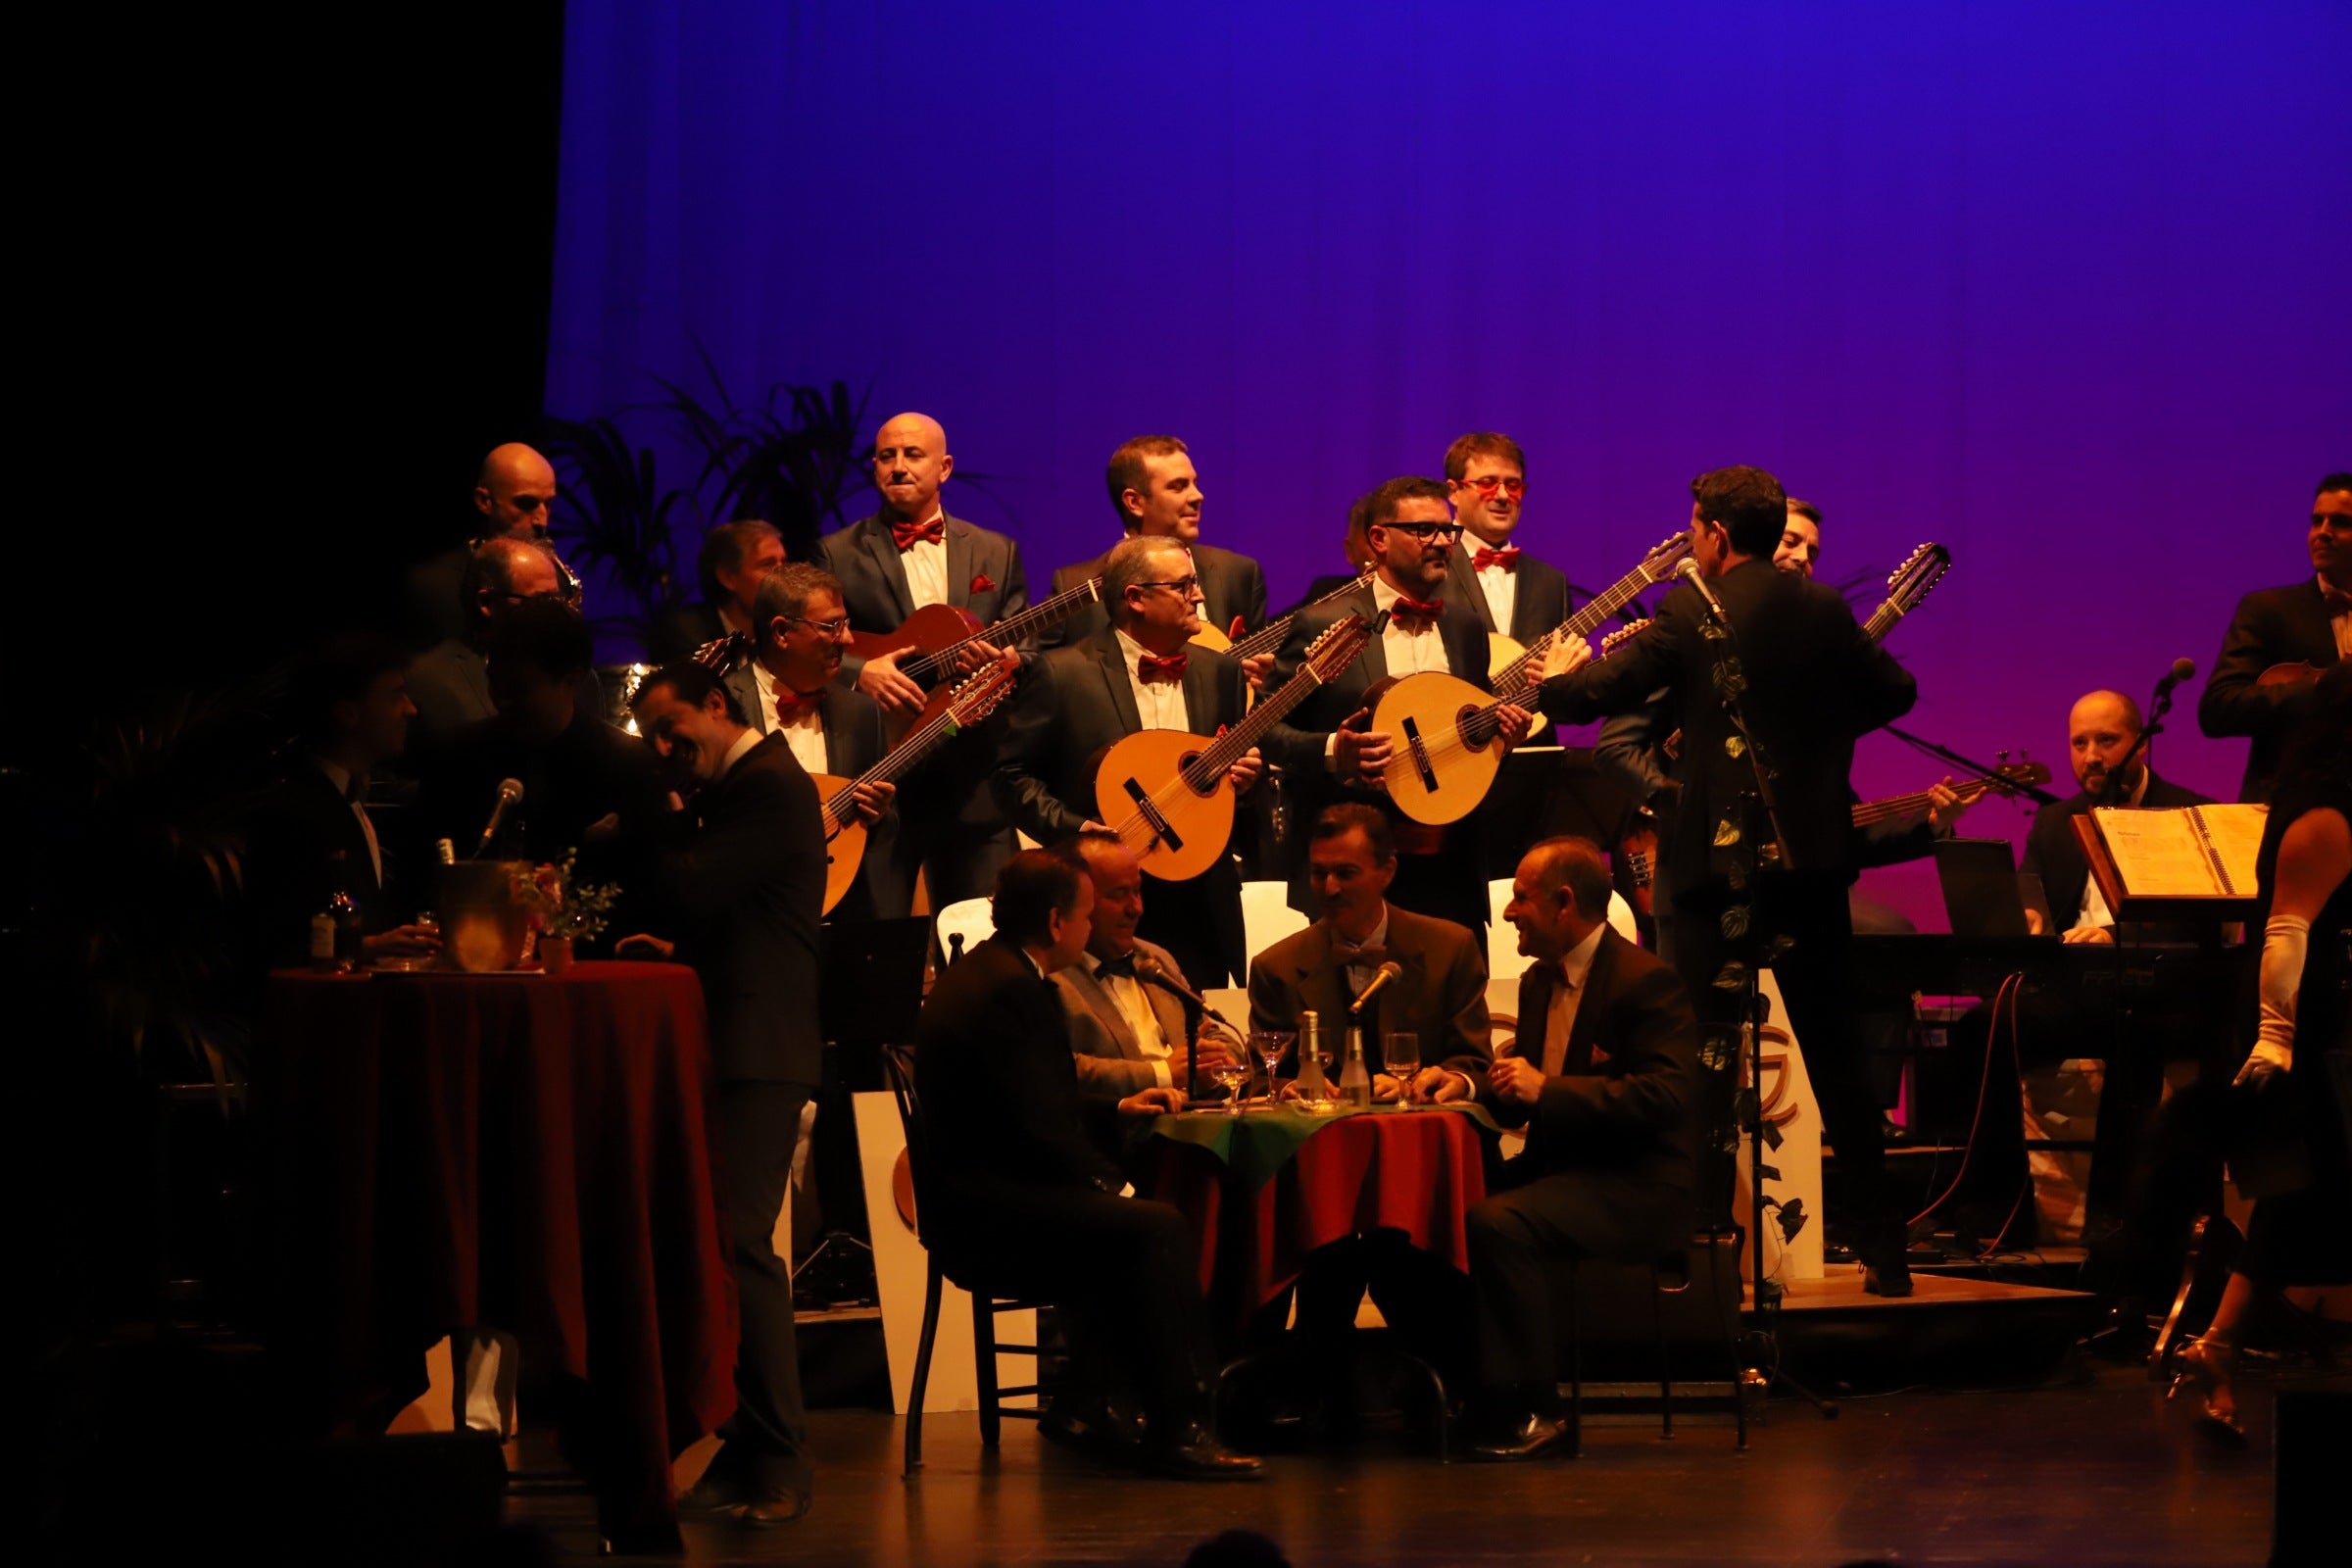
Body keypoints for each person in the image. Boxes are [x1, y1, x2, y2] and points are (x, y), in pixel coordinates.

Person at [1538, 465, 1920, 1295]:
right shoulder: (1822, 608)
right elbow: (1898, 691)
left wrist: (1552, 672)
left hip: (1719, 876)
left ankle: (1695, 1248)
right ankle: (1885, 1253)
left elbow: (1588, 699)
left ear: (1712, 533)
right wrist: (1813, 737)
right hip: (1811, 867)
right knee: (1837, 1056)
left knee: (1702, 1060)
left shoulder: (1693, 608)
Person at [913, 850, 1262, 1480]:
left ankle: (1085, 1404)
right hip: (987, 1214)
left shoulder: (995, 974)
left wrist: (1121, 1105)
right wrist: (1116, 1185)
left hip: (983, 1192)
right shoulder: (1013, 990)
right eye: (1085, 913)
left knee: (1143, 1224)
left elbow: (1032, 1100)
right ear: (1056, 922)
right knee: (1157, 1227)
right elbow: (1039, 1128)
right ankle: (1183, 1426)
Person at [620, 662, 824, 1526]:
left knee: (744, 1249)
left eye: (674, 731)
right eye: (653, 740)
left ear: (717, 705)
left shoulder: (768, 784)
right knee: (722, 1250)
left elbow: (696, 888)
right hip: (737, 1041)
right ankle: (746, 1448)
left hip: (759, 1049)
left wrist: (658, 816)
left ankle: (778, 1458)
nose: (667, 752)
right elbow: (726, 919)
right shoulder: (748, 786)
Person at [1464, 838, 1702, 1458]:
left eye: (1521, 897)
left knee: (1498, 1222)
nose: (1509, 912)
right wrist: (1477, 1086)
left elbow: (1666, 1098)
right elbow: (1532, 1100)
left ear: (1564, 903)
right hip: (1563, 1174)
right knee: (1448, 1201)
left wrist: (1548, 1087)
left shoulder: (1646, 982)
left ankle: (1536, 1410)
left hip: (1637, 1185)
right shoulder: (1539, 982)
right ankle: (1474, 1393)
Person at [2169, 664, 2352, 1445]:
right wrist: (2275, 1039)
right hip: (2305, 1016)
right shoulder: (2328, 814)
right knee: (2312, 1183)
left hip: (2328, 1007)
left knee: (2305, 1192)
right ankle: (2219, 1343)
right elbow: (2287, 932)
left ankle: (2216, 1343)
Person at [1247, 805, 1494, 1373]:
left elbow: (1473, 1061)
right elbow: (1267, 1075)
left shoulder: (1450, 946)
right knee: (1317, 1243)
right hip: (1316, 1177)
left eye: (1345, 873)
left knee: (1393, 1248)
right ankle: (1297, 1381)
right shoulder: (1277, 966)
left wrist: (1445, 1077)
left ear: (1388, 870)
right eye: (1318, 873)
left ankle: (1448, 1375)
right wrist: (1286, 1088)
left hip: (1420, 1174)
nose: (1328, 888)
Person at [1261, 477, 1536, 932]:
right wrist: (1333, 751)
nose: (1442, 543)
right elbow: (1264, 730)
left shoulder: (1466, 628)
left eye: (1447, 531)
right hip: (1354, 871)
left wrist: (1500, 742)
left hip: (1450, 867)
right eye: (1424, 530)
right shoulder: (1323, 622)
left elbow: (1467, 741)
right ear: (1378, 540)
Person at [994, 534, 1259, 984]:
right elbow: (1009, 776)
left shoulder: (1223, 672)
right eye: (1183, 585)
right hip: (1098, 901)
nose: (1199, 595)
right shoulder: (1061, 673)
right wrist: (1077, 829)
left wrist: (1246, 782)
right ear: (1135, 598)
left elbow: (1231, 787)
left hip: (1200, 902)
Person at [815, 411, 1024, 906]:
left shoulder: (997, 551)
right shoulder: (837, 551)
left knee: (988, 934)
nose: (899, 466)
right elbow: (816, 642)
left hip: (971, 778)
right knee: (881, 941)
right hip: (883, 778)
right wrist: (860, 671)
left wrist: (1009, 659)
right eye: (887, 456)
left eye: (913, 454)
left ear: (945, 468)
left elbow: (1031, 650)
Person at [414, 600, 664, 917]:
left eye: (518, 687)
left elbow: (647, 889)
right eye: (494, 681)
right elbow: (423, 877)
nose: (501, 698)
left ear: (572, 680)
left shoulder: (627, 765)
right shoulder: (456, 758)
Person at [244, 633, 443, 970]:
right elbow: (271, 941)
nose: (410, 709)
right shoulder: (295, 810)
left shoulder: (346, 799)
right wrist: (368, 947)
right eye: (395, 695)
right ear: (348, 713)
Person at [722, 563, 904, 921]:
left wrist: (880, 813)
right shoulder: (724, 707)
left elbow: (888, 828)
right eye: (831, 626)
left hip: (841, 914)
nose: (848, 640)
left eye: (845, 623)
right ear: (781, 632)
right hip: (751, 915)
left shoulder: (862, 712)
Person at [1043, 435, 1270, 668]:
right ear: (1134, 502)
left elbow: (1263, 683)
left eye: (1194, 483)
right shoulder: (1073, 585)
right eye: (1178, 486)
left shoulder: (1239, 574)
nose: (1197, 496)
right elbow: (1042, 678)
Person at [1053, 832, 1244, 1101]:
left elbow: (1216, 1037)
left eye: (1137, 891)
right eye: (1119, 895)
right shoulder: (1054, 975)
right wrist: (1163, 1073)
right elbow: (1062, 1070)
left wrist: (1206, 1068)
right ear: (1077, 900)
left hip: (1190, 1123)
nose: (1137, 908)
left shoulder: (1154, 958)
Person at [2196, 471, 2350, 803]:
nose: (2322, 533)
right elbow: (2218, 708)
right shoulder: (2268, 609)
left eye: (2340, 522)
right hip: (2288, 809)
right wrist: (2327, 686)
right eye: (2316, 521)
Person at [2021, 689, 2218, 945]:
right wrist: (2028, 913)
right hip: (2068, 966)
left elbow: (2197, 923)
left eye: (2106, 740)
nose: (2091, 757)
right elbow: (2027, 892)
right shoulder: (2052, 822)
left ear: (2142, 743)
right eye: (2080, 743)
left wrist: (2112, 938)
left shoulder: (2191, 815)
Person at [405, 535, 583, 758]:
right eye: (539, 601)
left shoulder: (577, 678)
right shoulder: (424, 679)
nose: (554, 614)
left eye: (558, 601)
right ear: (486, 603)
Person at [406, 443, 570, 648]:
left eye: (548, 504)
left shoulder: (559, 583)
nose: (542, 521)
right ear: (484, 501)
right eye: (526, 504)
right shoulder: (434, 587)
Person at [1439, 432, 1572, 653]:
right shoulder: (1428, 565)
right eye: (1487, 483)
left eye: (1513, 485)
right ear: (1453, 492)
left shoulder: (1552, 583)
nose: (1502, 495)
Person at [648, 519, 788, 665]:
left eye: (784, 562)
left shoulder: (785, 631)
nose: (783, 574)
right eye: (767, 564)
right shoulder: (686, 634)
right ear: (727, 578)